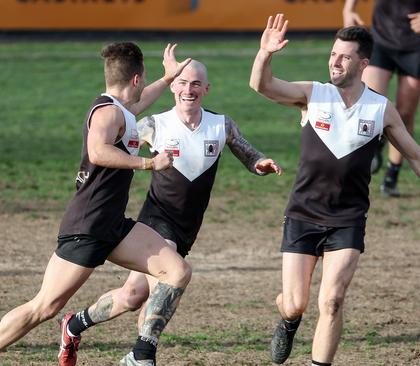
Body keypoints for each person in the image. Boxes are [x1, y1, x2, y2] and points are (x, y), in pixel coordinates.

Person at [250, 14, 420, 366]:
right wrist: (265, 54)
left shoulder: (380, 108)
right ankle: (288, 321)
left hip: (347, 218)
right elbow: (263, 86)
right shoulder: (312, 94)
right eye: (333, 54)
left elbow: (415, 155)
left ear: (363, 64)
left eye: (344, 57)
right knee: (296, 303)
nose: (334, 62)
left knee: (332, 300)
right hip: (303, 213)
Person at [0, 42, 192, 366]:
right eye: (146, 79)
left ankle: (142, 354)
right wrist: (148, 164)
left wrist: (166, 79)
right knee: (45, 307)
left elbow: (139, 103)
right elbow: (98, 151)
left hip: (113, 225)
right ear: (136, 79)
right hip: (88, 226)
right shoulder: (107, 112)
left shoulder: (122, 110)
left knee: (176, 271)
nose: (145, 86)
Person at [56, 59, 283, 366]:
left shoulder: (221, 125)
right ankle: (141, 354)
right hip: (156, 220)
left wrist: (259, 164)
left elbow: (246, 150)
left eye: (195, 84)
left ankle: (73, 324)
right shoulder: (153, 124)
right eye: (182, 82)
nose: (188, 89)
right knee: (161, 286)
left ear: (206, 89)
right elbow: (110, 141)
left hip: (188, 226)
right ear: (173, 86)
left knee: (131, 296)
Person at [342, 0, 420, 197]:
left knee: (404, 114)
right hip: (381, 35)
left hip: (418, 39)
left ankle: (392, 173)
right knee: (370, 104)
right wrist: (349, 8)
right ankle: (374, 148)